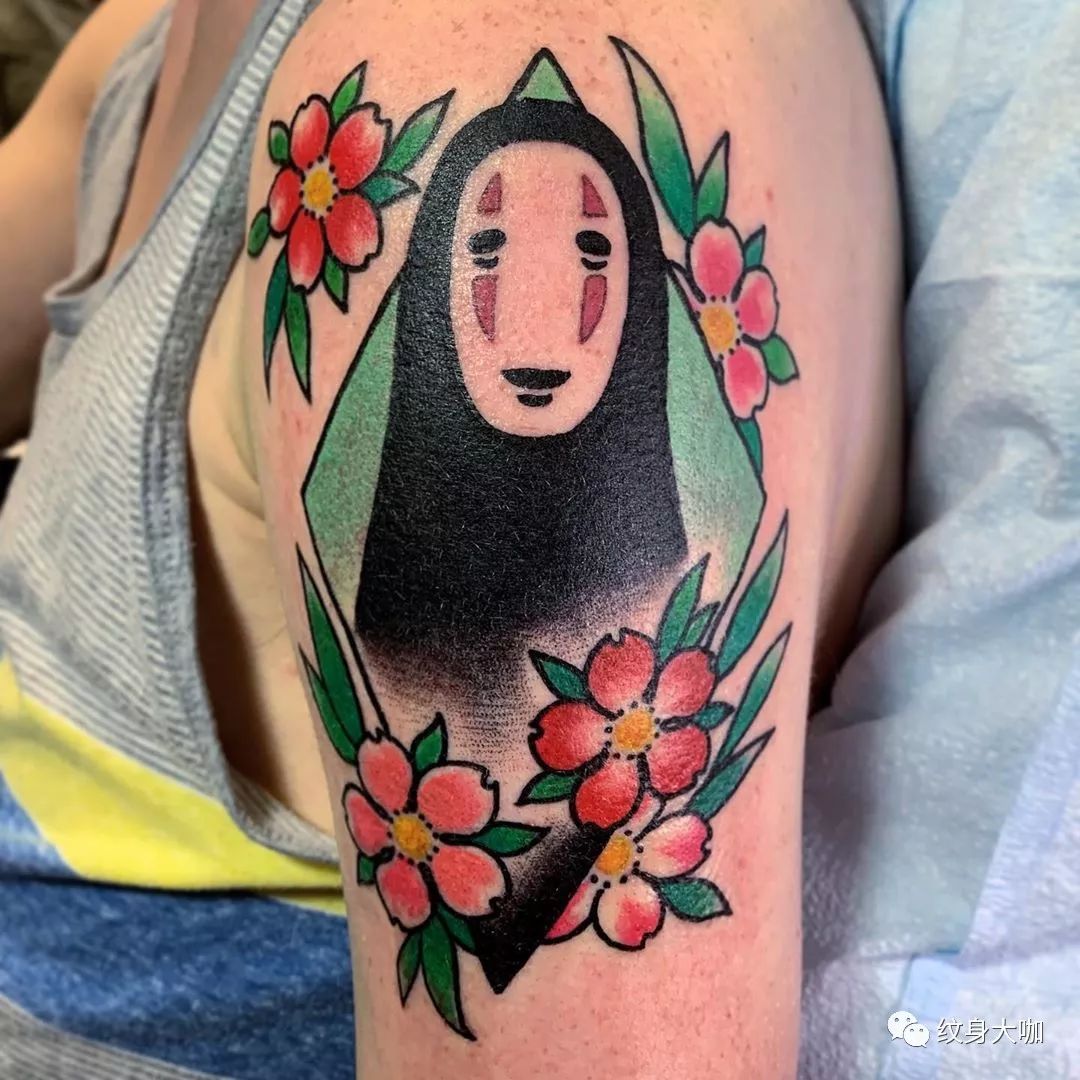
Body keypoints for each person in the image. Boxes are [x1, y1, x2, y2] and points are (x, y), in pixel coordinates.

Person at [0, 1, 902, 1077]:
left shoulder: (464, 44)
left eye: (590, 250)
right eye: (485, 250)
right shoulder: (154, 32)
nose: (537, 326)